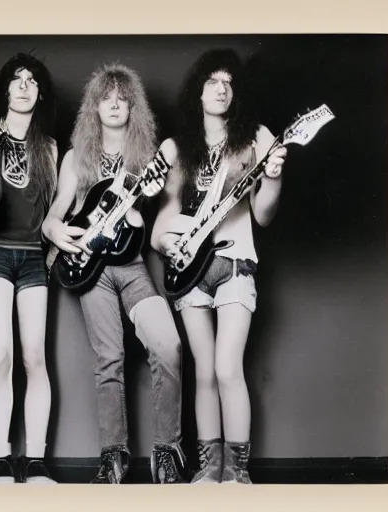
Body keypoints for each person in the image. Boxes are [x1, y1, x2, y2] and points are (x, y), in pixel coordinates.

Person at [42, 63, 187, 484]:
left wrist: (146, 206)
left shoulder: (148, 159)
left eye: (123, 98)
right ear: (95, 105)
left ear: (133, 107)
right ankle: (113, 459)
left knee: (168, 344)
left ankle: (166, 451)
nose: (115, 104)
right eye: (107, 97)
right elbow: (55, 213)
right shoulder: (76, 157)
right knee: (109, 359)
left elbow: (152, 219)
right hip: (92, 270)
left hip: (132, 264)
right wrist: (54, 230)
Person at [151, 49, 287, 484]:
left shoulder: (256, 139)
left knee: (229, 367)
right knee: (204, 370)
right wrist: (165, 242)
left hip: (234, 262)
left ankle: (238, 472)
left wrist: (275, 177)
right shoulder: (180, 148)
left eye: (228, 82)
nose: (221, 88)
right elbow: (165, 217)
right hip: (190, 268)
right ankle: (209, 470)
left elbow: (263, 215)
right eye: (213, 81)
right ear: (198, 91)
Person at [0, 53, 58, 484]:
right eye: (16, 78)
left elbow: (56, 213)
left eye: (31, 80)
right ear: (6, 88)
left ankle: (36, 460)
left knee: (33, 358)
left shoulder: (48, 147)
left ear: (39, 92)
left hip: (31, 258)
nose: (24, 85)